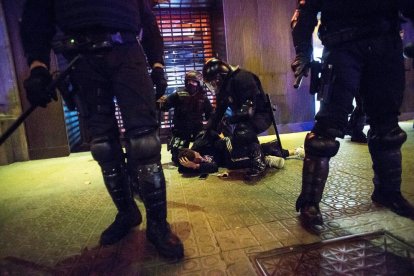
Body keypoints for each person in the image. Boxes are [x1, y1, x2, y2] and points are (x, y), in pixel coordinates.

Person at [20, 0, 183, 259]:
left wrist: (158, 65)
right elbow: (36, 16)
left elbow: (148, 21)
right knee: (103, 146)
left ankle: (157, 225)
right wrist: (37, 65)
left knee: (145, 142)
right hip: (80, 58)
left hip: (127, 51)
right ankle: (127, 212)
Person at [290, 0, 414, 225]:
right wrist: (303, 53)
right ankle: (309, 201)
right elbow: (304, 11)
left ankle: (388, 191)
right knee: (327, 128)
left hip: (385, 42)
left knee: (387, 126)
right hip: (342, 45)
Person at [202, 58, 272, 180]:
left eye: (214, 82)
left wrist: (229, 120)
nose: (213, 86)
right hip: (241, 118)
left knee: (242, 131)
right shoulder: (224, 86)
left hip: (260, 116)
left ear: (221, 77)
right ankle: (268, 149)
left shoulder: (243, 78)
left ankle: (259, 163)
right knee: (215, 130)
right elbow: (218, 113)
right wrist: (207, 131)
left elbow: (247, 111)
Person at [157, 70, 213, 165]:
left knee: (204, 153)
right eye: (189, 81)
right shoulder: (178, 94)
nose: (191, 84)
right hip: (181, 129)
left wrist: (211, 128)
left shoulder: (203, 97)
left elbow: (210, 114)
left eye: (194, 82)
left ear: (199, 83)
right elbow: (164, 106)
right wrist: (159, 101)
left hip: (197, 129)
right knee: (177, 159)